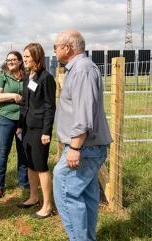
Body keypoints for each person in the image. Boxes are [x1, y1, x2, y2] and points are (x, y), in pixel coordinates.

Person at [52, 30, 112, 241]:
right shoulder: (79, 68)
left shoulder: (82, 69)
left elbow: (84, 113)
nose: (54, 50)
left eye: (56, 46)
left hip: (84, 146)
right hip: (88, 146)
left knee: (65, 189)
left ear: (67, 48)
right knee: (86, 194)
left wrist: (75, 147)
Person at [16, 43, 56, 219]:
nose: (24, 60)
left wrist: (47, 131)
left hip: (40, 130)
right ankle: (33, 197)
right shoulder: (27, 78)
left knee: (41, 166)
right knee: (30, 164)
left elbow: (50, 107)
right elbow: (24, 104)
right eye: (24, 56)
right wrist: (19, 125)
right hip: (26, 128)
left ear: (36, 57)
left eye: (27, 57)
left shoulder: (46, 78)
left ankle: (47, 206)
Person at [0, 51, 29, 198]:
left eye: (14, 59)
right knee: (3, 152)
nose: (11, 62)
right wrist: (13, 96)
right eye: (8, 60)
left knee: (23, 151)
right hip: (6, 119)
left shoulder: (27, 77)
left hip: (23, 120)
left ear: (20, 61)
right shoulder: (2, 77)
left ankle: (24, 182)